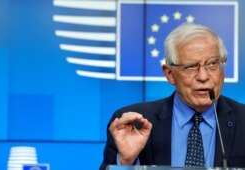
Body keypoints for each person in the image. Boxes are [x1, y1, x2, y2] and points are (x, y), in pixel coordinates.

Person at [100, 23, 245, 169]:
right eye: (191, 66)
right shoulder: (132, 125)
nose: (203, 76)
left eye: (213, 64)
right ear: (169, 74)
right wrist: (126, 162)